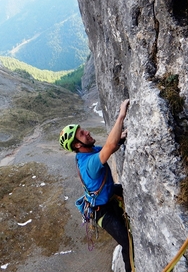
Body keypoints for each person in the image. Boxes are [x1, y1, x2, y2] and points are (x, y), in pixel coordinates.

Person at [59, 99, 133, 272]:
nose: (87, 132)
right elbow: (110, 145)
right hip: (101, 210)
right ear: (78, 145)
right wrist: (121, 115)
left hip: (107, 196)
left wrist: (121, 137)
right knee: (127, 243)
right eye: (82, 134)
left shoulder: (88, 152)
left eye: (83, 130)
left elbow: (108, 147)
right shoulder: (89, 164)